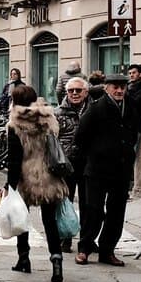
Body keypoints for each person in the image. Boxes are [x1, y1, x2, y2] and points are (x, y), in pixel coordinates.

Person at [74, 71, 140, 267]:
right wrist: (94, 155)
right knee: (93, 209)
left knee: (116, 211)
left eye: (123, 87)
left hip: (121, 168)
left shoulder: (130, 107)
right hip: (97, 169)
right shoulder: (96, 109)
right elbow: (80, 138)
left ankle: (107, 250)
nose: (120, 90)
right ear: (107, 88)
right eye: (115, 87)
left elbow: (133, 132)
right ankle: (85, 248)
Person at [8, 84, 68, 282]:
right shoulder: (48, 118)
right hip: (48, 176)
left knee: (21, 218)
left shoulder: (15, 123)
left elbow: (14, 159)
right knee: (50, 221)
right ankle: (56, 260)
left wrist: (10, 185)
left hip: (26, 177)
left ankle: (23, 258)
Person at [56, 76, 89, 255]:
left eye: (78, 90)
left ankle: (86, 240)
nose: (74, 94)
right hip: (66, 164)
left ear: (86, 92)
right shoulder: (58, 112)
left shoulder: (93, 110)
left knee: (88, 204)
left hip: (87, 164)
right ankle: (65, 238)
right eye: (71, 91)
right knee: (64, 203)